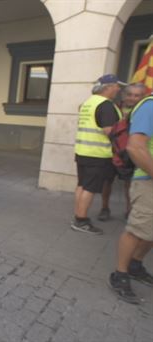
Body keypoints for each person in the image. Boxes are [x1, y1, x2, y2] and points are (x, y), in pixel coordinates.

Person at [108, 93, 153, 304]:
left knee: (150, 230)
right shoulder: (150, 105)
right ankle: (120, 274)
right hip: (147, 180)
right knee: (137, 229)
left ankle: (135, 265)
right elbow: (135, 147)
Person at [71, 74, 124, 235]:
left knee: (82, 185)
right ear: (108, 87)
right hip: (97, 154)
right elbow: (109, 131)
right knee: (90, 188)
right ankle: (81, 221)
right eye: (117, 86)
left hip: (83, 151)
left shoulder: (88, 102)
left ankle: (78, 216)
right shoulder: (106, 105)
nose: (118, 89)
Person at [107, 83, 148, 219]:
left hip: (131, 155)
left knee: (129, 184)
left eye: (137, 95)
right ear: (124, 95)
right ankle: (104, 208)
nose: (132, 98)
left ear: (143, 96)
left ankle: (129, 210)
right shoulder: (114, 108)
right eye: (129, 94)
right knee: (107, 182)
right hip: (113, 151)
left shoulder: (144, 110)